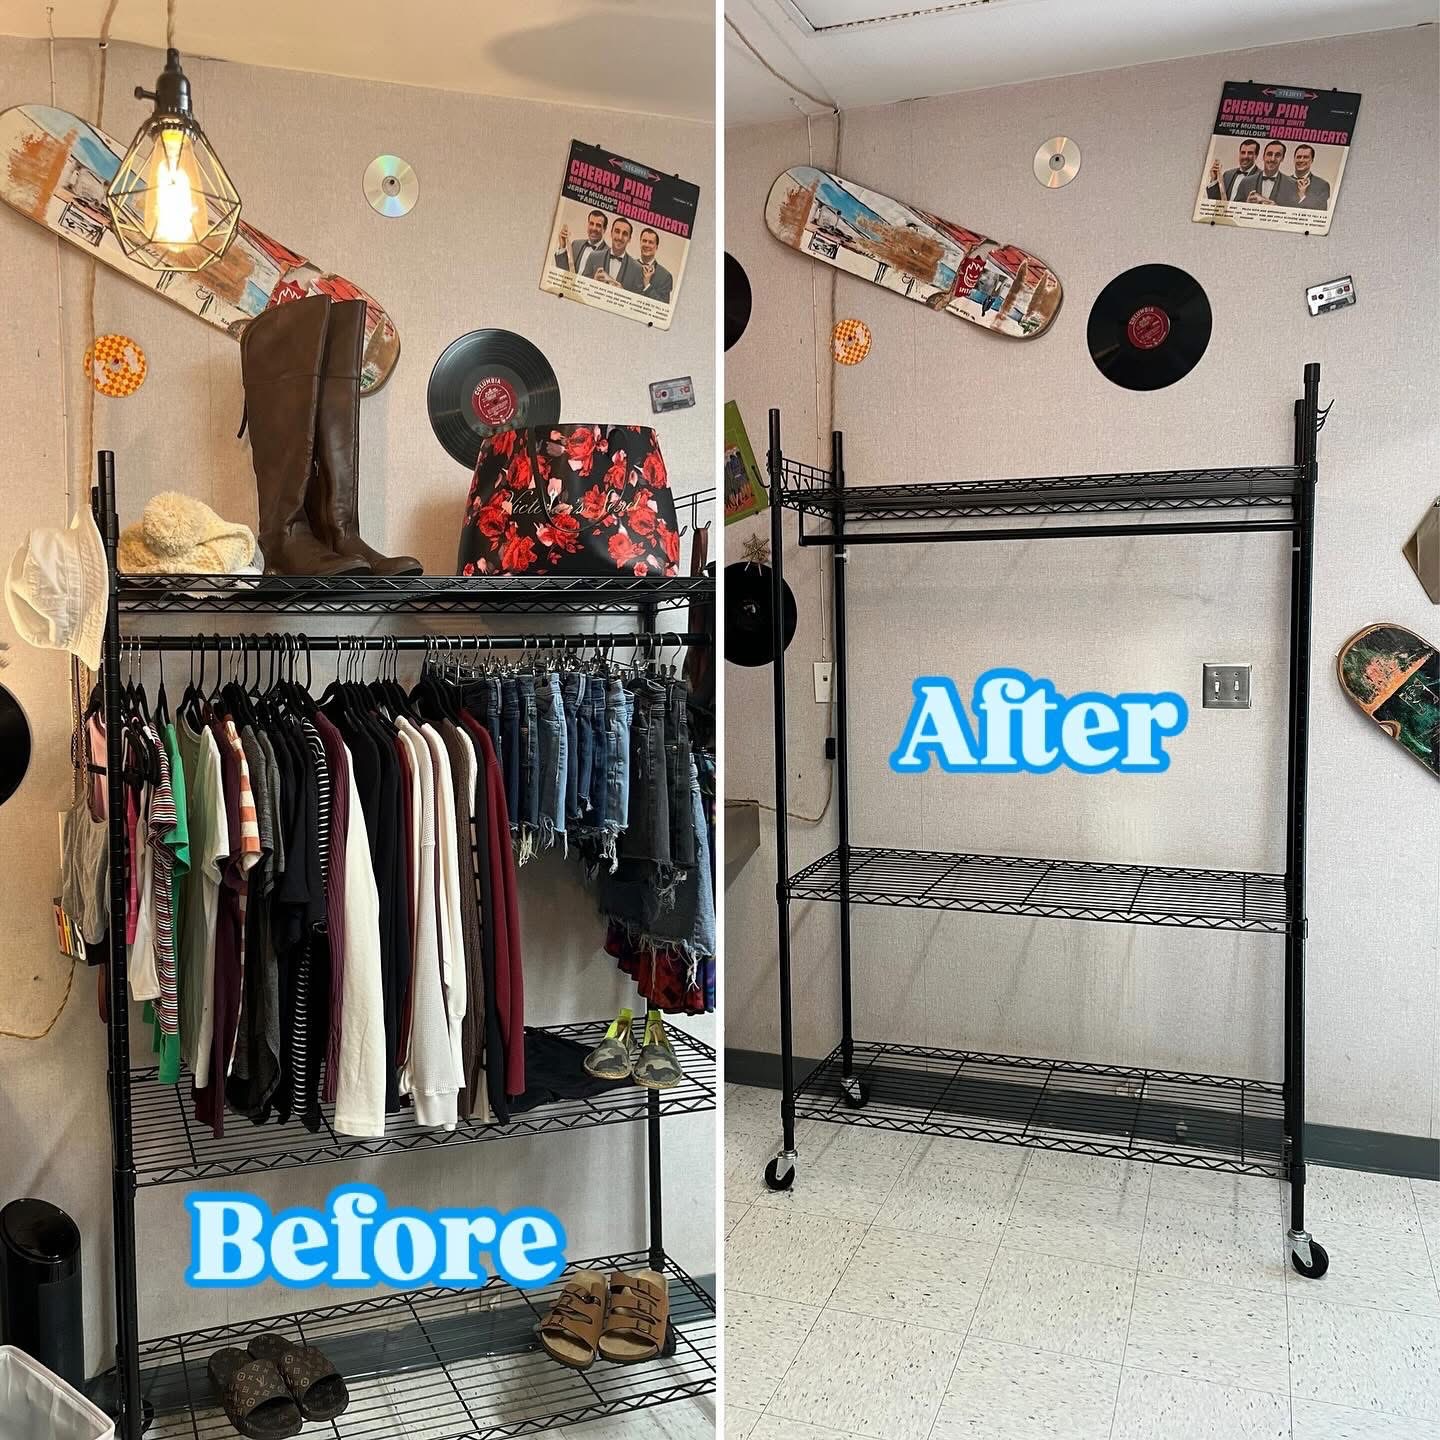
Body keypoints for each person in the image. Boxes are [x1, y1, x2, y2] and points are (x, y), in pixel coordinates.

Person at [581, 217, 644, 292]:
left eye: (625, 234)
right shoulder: (594, 257)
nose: (620, 237)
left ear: (629, 239)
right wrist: (594, 282)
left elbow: (637, 297)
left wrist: (623, 292)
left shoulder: (637, 268)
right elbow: (582, 287)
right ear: (611, 233)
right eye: (617, 231)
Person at [1238, 141, 1299, 206]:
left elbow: (1294, 210)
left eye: (1277, 155)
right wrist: (1246, 204)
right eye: (1269, 154)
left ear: (1282, 158)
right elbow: (1235, 208)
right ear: (1263, 156)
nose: (1272, 159)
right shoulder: (1246, 182)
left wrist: (1277, 208)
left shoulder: (1292, 184)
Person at [636, 228, 673, 304]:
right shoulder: (628, 265)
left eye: (651, 242)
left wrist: (647, 286)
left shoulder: (666, 276)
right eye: (644, 241)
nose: (647, 245)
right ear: (640, 243)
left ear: (656, 247)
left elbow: (663, 306)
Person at [1291, 145, 1331, 210]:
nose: (1301, 160)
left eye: (1305, 157)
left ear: (1312, 160)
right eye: (1298, 157)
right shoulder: (1282, 182)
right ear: (1294, 159)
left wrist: (1302, 196)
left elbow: (1321, 211)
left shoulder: (1322, 185)